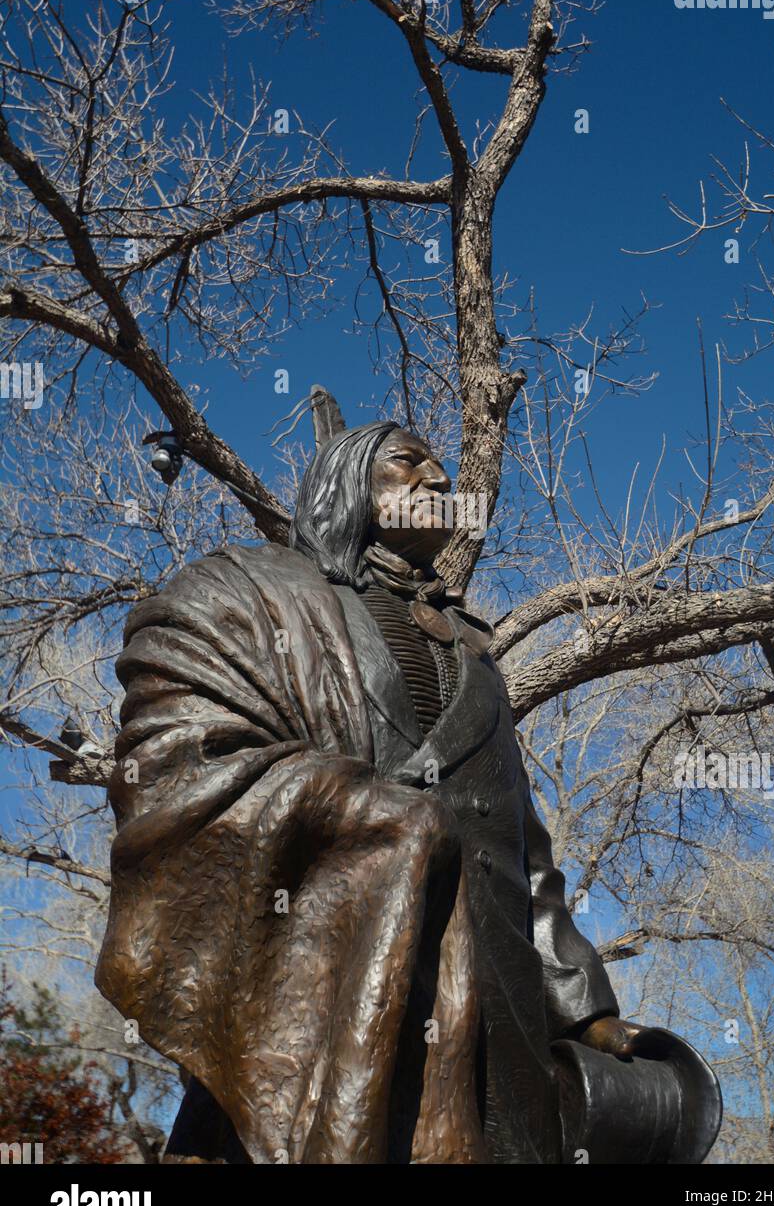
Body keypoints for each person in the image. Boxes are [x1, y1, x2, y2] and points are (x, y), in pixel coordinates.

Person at [96, 421, 721, 1164]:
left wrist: (586, 1010)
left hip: (500, 1020)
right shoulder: (248, 592)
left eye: (441, 464)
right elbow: (173, 757)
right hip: (326, 1006)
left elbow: (527, 847)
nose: (437, 478)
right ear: (346, 480)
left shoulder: (476, 656)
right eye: (407, 460)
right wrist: (376, 820)